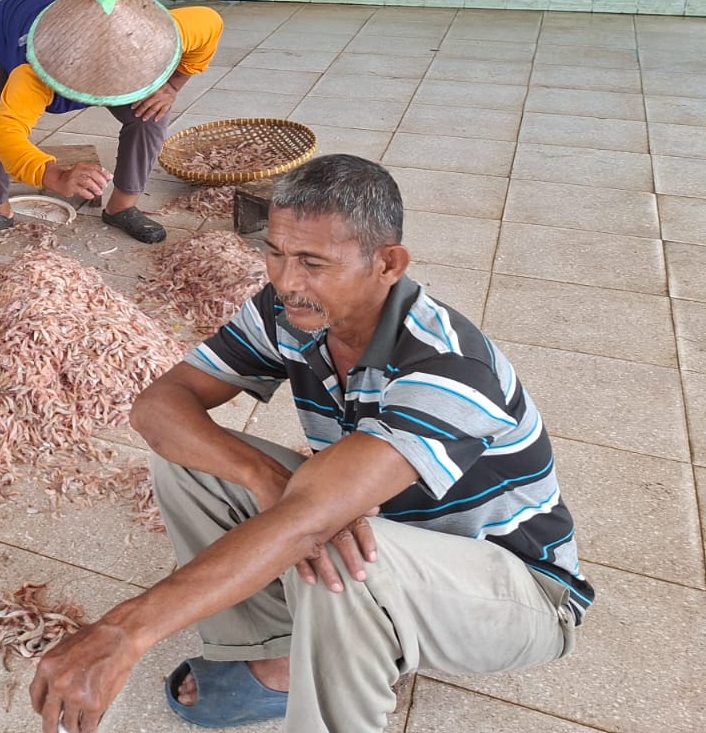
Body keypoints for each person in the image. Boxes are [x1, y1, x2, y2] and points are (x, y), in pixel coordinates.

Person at [29, 155, 590, 733]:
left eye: (313, 262)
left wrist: (125, 631)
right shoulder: (293, 314)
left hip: (520, 594)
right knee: (195, 465)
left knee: (337, 557)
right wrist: (263, 478)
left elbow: (314, 520)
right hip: (392, 535)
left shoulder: (448, 366)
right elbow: (158, 408)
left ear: (388, 264)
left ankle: (342, 688)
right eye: (276, 252)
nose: (286, 280)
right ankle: (281, 654)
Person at [0, 0, 223, 249]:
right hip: (3, 36)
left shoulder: (165, 31)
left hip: (89, 15)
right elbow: (5, 133)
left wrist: (173, 86)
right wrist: (54, 176)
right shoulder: (29, 72)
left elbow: (211, 23)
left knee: (152, 113)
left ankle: (122, 207)